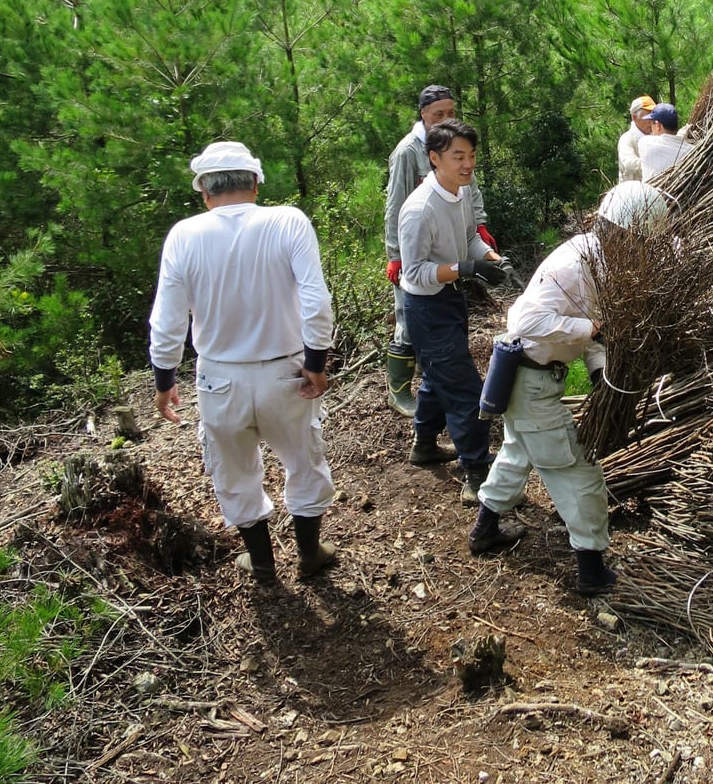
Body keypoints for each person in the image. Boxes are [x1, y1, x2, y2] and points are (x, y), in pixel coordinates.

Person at [468, 180, 670, 596]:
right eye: (642, 242)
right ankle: (591, 569)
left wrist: (599, 370)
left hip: (531, 379)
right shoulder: (578, 264)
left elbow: (592, 334)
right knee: (578, 473)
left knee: (517, 452)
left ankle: (484, 530)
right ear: (627, 232)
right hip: (529, 381)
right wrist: (589, 328)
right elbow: (528, 323)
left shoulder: (600, 261)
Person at [148, 141, 337, 584]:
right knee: (305, 462)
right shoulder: (287, 220)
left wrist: (164, 378)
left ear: (205, 192)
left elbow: (168, 319)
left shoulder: (184, 234)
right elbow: (315, 300)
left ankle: (262, 561)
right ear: (254, 183)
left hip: (219, 377)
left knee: (234, 472)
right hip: (286, 372)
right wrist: (315, 360)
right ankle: (309, 554)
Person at [397, 119, 509, 504]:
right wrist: (466, 268)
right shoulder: (419, 209)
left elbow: (468, 239)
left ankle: (424, 445)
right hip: (426, 307)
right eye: (458, 156)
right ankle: (476, 474)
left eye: (472, 155)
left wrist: (490, 258)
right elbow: (414, 274)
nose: (467, 164)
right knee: (463, 390)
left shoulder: (458, 193)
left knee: (436, 376)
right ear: (434, 158)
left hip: (449, 299)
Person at [384, 85, 496, 416]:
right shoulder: (408, 152)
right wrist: (395, 255)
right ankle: (400, 391)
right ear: (423, 115)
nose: (446, 118)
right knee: (407, 317)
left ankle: (430, 392)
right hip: (416, 248)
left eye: (451, 112)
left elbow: (469, 190)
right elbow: (395, 206)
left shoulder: (457, 146)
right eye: (439, 115)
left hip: (447, 252)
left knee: (438, 335)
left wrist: (480, 227)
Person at [638, 102, 695, 182]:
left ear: (658, 125)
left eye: (652, 124)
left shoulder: (645, 143)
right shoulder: (692, 151)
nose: (651, 128)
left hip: (653, 193)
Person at [616, 95, 656, 182]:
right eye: (648, 118)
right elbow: (629, 163)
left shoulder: (657, 136)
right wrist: (654, 165)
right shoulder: (627, 139)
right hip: (633, 192)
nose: (652, 121)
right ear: (634, 117)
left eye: (653, 117)